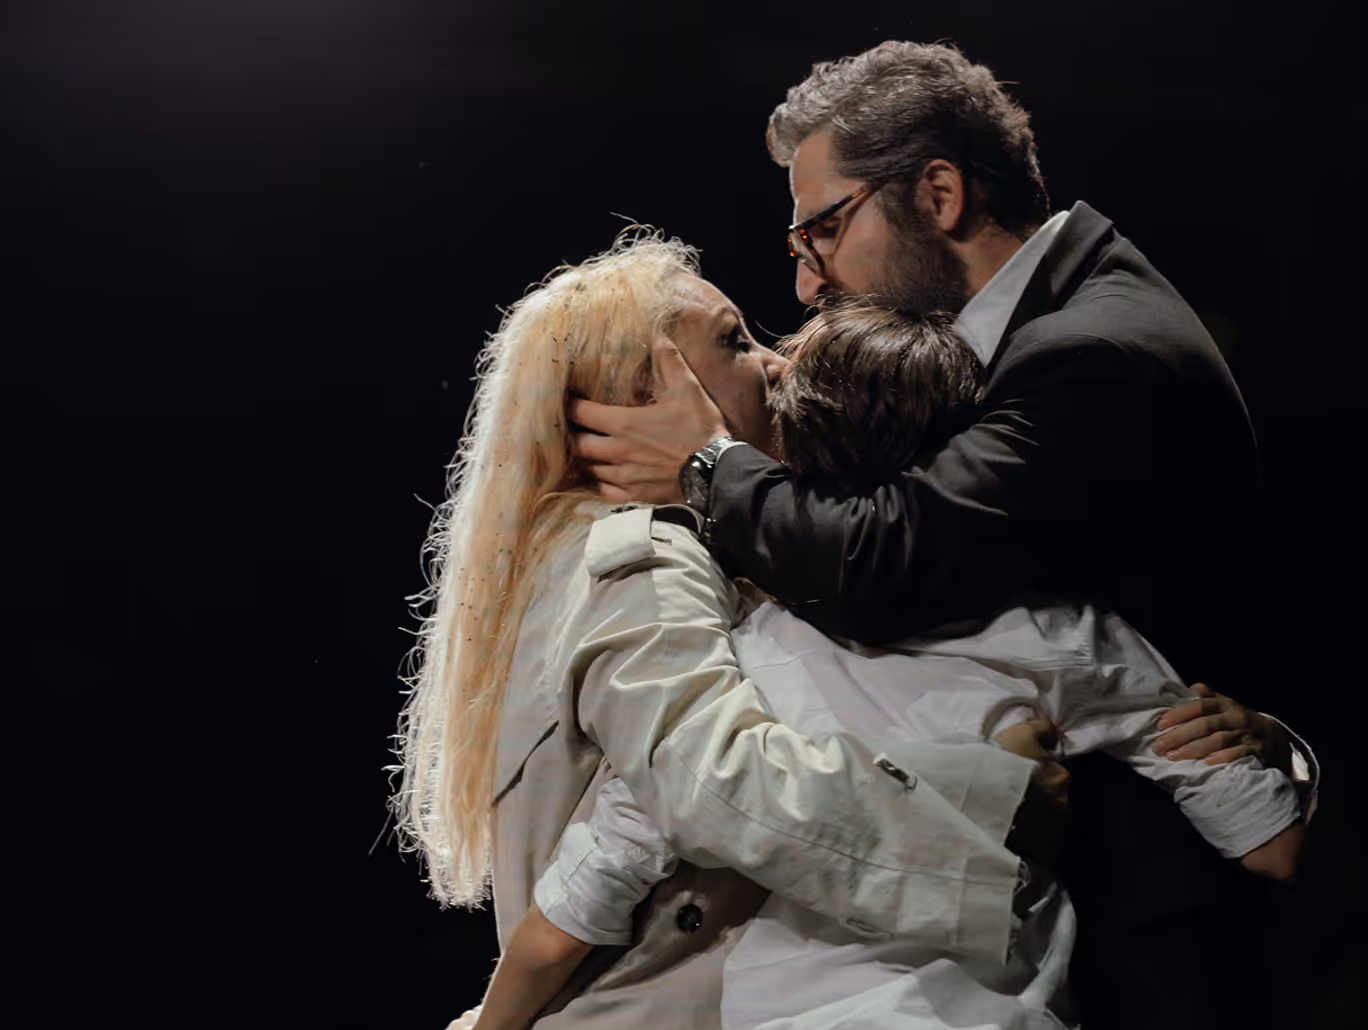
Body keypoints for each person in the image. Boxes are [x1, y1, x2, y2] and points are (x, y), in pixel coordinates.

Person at [569, 42, 1318, 1028]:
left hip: (1152, 943)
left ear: (938, 192)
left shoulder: (1091, 351)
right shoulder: (1035, 327)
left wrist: (706, 465)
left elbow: (890, 559)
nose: (807, 286)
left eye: (823, 229)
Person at [395, 231, 1255, 1030]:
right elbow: (717, 790)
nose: (775, 362)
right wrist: (996, 796)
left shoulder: (647, 554)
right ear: (644, 391)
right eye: (734, 343)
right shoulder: (647, 558)